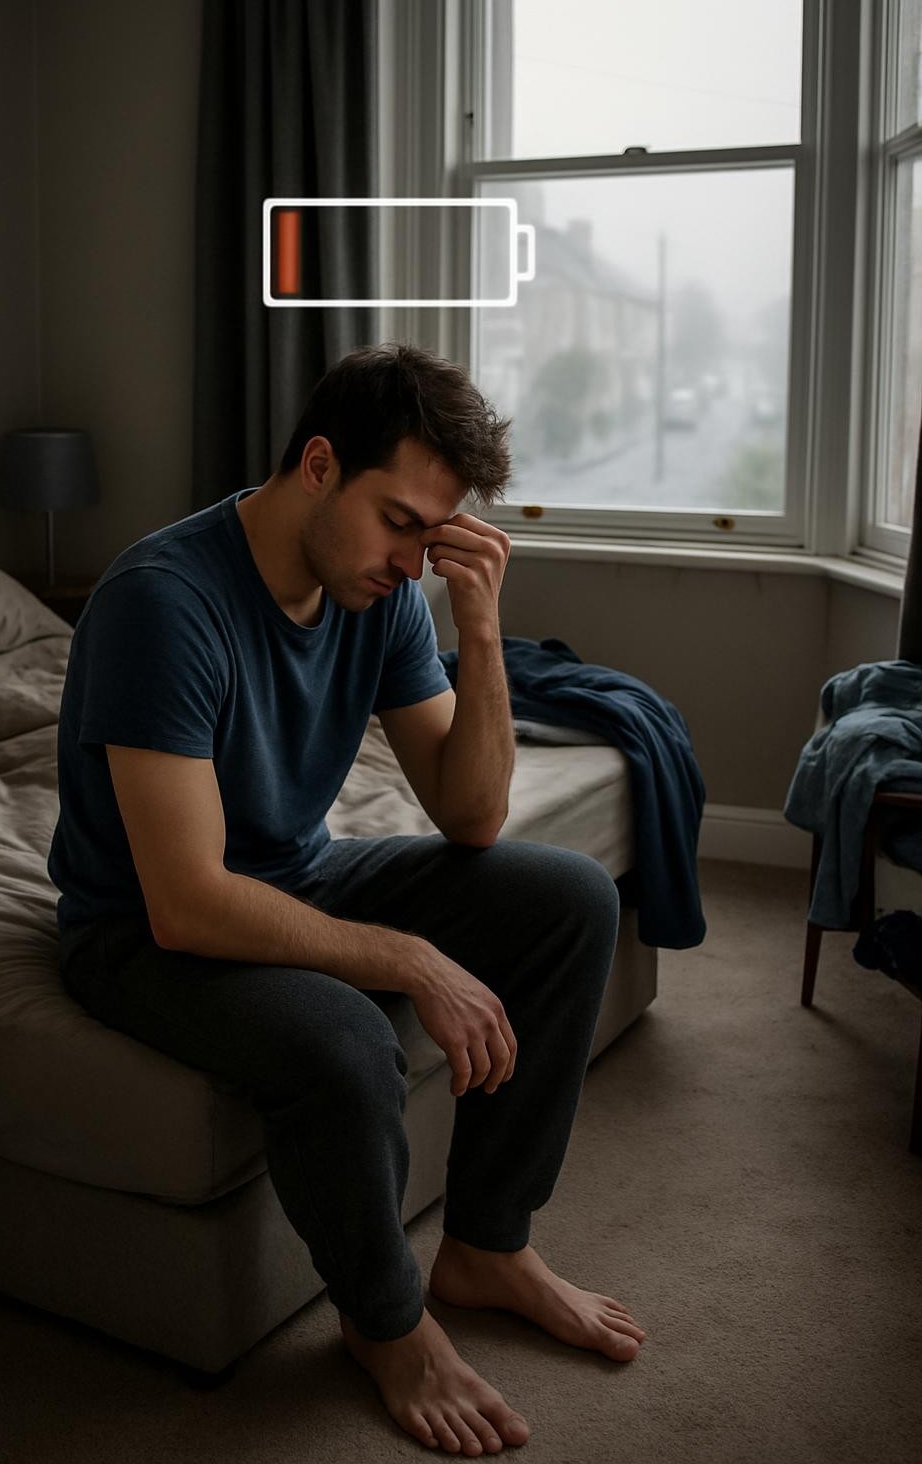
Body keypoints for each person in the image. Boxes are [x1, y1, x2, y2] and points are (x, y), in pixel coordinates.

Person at [48, 342, 647, 1455]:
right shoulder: (160, 603)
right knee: (342, 1039)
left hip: (293, 873)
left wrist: (478, 630)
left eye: (436, 533)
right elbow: (184, 904)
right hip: (137, 928)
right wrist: (411, 962)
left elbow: (469, 817)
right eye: (401, 522)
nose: (414, 558)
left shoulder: (381, 591)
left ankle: (487, 1245)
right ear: (317, 465)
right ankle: (388, 1326)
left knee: (566, 898)